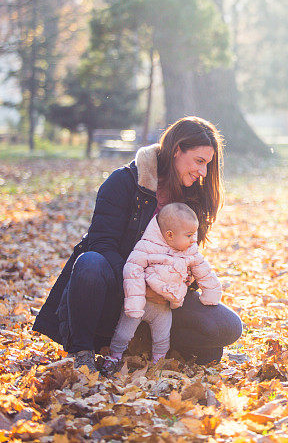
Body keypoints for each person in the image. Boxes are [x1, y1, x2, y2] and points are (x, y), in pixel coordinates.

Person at [33, 117, 243, 372]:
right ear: (177, 150)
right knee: (89, 262)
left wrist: (184, 281)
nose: (203, 172)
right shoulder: (124, 183)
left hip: (162, 301)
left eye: (207, 164)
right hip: (115, 292)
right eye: (199, 161)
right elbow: (101, 244)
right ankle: (84, 351)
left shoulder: (193, 199)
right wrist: (141, 285)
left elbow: (191, 257)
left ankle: (142, 340)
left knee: (227, 328)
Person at [100, 202, 224, 374]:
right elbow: (132, 269)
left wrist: (211, 292)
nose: (193, 240)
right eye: (189, 235)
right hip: (141, 304)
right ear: (170, 235)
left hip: (164, 307)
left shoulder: (190, 252)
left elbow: (205, 272)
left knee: (162, 338)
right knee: (124, 332)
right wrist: (136, 301)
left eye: (194, 234)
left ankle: (157, 362)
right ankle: (114, 356)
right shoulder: (147, 247)